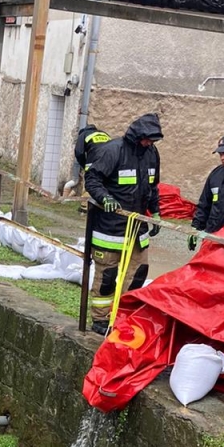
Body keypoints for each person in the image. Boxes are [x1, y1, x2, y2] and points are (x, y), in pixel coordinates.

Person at [79, 113, 163, 335]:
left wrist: (155, 212)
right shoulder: (112, 150)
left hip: (137, 229)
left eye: (153, 141)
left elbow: (153, 186)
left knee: (138, 273)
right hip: (110, 228)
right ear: (137, 135)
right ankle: (99, 319)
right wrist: (104, 197)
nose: (149, 144)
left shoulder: (152, 154)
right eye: (147, 139)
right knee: (107, 277)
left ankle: (123, 317)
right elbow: (93, 179)